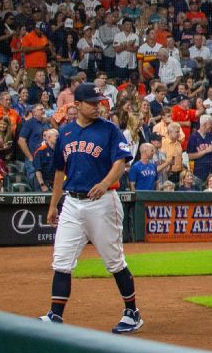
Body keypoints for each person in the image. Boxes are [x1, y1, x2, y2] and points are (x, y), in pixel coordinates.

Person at [40, 82, 142, 333]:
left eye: (100, 103)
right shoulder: (64, 132)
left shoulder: (109, 130)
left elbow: (120, 162)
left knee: (114, 261)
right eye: (92, 103)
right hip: (72, 203)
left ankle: (132, 313)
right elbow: (59, 172)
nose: (98, 107)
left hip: (103, 202)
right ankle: (55, 315)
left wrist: (105, 182)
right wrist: (54, 205)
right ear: (77, 105)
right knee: (62, 261)